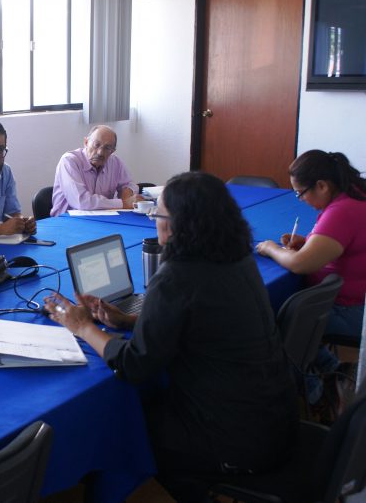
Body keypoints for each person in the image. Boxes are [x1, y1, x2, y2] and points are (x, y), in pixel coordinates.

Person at [44, 171, 298, 502]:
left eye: (158, 215)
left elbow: (133, 365)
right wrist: (129, 321)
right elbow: (202, 323)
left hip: (233, 442)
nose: (155, 222)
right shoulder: (237, 257)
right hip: (276, 421)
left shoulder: (178, 276)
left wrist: (83, 327)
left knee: (121, 425)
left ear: (178, 225)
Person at [256, 150, 366, 404]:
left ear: (322, 185)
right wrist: (308, 244)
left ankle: (316, 393)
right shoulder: (354, 195)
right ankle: (332, 369)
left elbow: (299, 265)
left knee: (274, 321)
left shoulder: (343, 211)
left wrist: (270, 248)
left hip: (351, 311)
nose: (300, 199)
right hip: (353, 301)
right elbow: (343, 245)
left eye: (301, 192)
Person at [50, 125, 142, 216]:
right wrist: (123, 203)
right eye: (96, 145)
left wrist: (127, 191)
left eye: (107, 148)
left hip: (101, 219)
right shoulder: (69, 161)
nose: (100, 152)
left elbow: (130, 184)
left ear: (112, 151)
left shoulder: (115, 162)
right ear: (86, 142)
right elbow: (81, 201)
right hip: (66, 222)